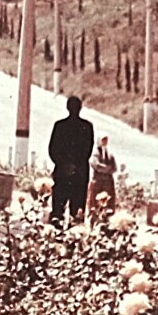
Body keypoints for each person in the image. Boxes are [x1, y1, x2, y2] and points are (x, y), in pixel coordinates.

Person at [47, 95, 94, 223]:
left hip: (65, 172)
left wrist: (64, 165)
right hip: (79, 172)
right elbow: (87, 150)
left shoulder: (60, 126)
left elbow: (53, 150)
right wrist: (74, 166)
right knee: (76, 211)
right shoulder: (86, 127)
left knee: (59, 210)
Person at [87, 134, 119, 212]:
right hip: (98, 181)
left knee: (108, 200)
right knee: (95, 201)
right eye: (103, 140)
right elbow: (96, 165)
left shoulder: (110, 154)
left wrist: (107, 169)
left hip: (108, 182)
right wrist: (106, 168)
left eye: (106, 140)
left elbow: (114, 168)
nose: (105, 142)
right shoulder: (95, 153)